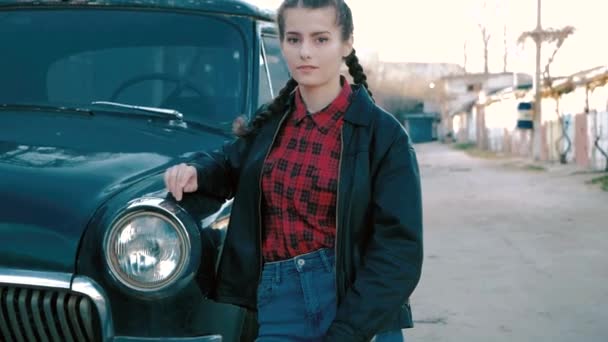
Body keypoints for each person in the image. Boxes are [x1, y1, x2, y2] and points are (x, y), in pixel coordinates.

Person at [164, 0, 423, 341]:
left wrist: (348, 330)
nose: (305, 52)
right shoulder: (270, 123)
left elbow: (399, 251)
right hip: (279, 299)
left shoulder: (383, 136)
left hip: (358, 305)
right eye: (293, 39)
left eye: (320, 39)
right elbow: (229, 162)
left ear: (346, 44)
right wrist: (196, 171)